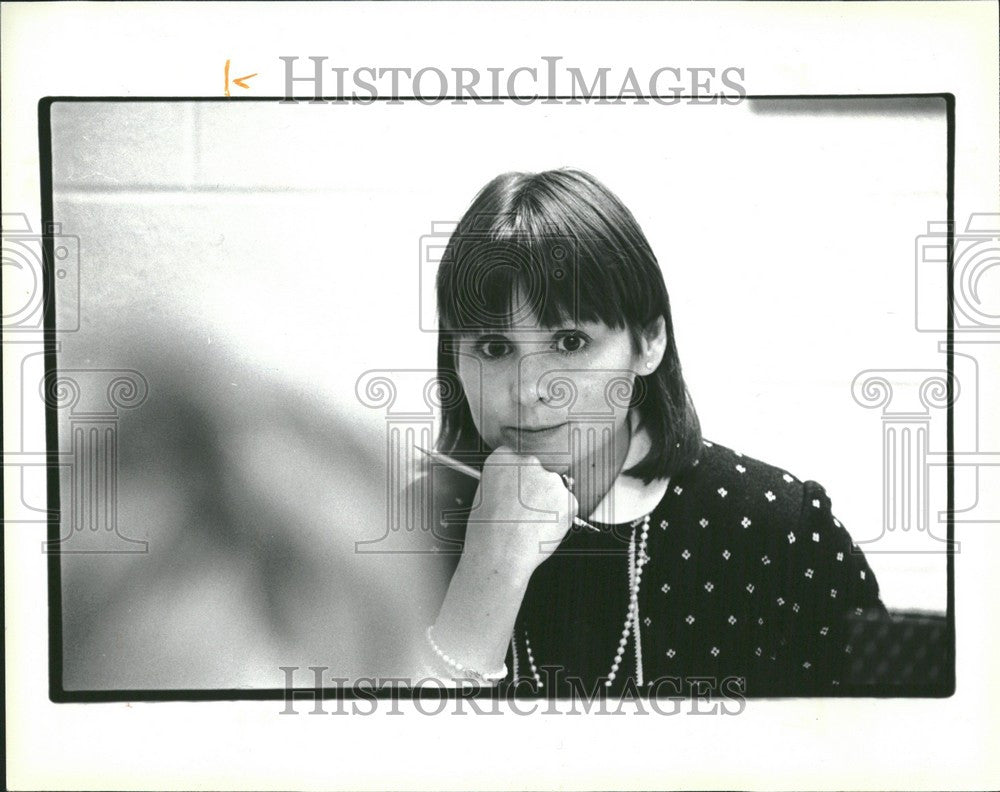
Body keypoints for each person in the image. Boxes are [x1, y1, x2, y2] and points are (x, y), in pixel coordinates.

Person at [414, 168, 887, 697]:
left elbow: (889, 754)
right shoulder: (392, 526)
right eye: (494, 348)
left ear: (648, 343)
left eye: (570, 342)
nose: (529, 390)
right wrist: (488, 572)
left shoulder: (780, 530)